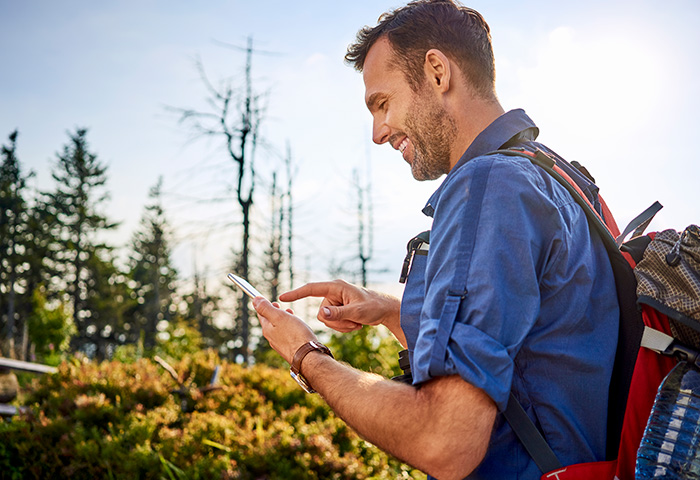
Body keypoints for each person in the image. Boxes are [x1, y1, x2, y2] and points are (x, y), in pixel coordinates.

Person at [253, 1, 620, 478]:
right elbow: (532, 357)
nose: (377, 133)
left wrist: (307, 357)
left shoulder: (489, 187)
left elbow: (444, 440)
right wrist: (387, 309)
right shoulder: (552, 175)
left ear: (436, 71)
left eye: (382, 103)